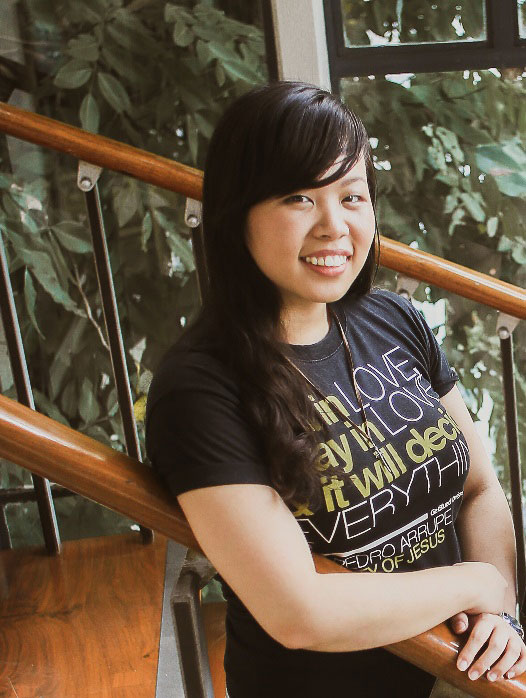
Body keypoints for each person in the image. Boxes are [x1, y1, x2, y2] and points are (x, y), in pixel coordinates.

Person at [145, 81, 525, 697]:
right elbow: (300, 612)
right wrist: (474, 584)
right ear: (236, 214)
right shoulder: (199, 390)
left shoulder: (393, 319)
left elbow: (479, 488)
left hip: (462, 666)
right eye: (299, 197)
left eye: (352, 196)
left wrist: (500, 610)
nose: (334, 226)